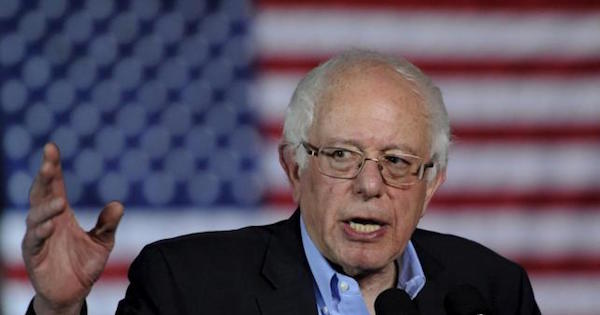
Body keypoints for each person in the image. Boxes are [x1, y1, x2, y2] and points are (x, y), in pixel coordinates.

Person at [22, 50, 541, 315]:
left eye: (398, 161)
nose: (370, 185)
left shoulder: (492, 292)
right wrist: (58, 310)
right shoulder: (188, 286)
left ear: (432, 183)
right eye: (341, 154)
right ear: (295, 168)